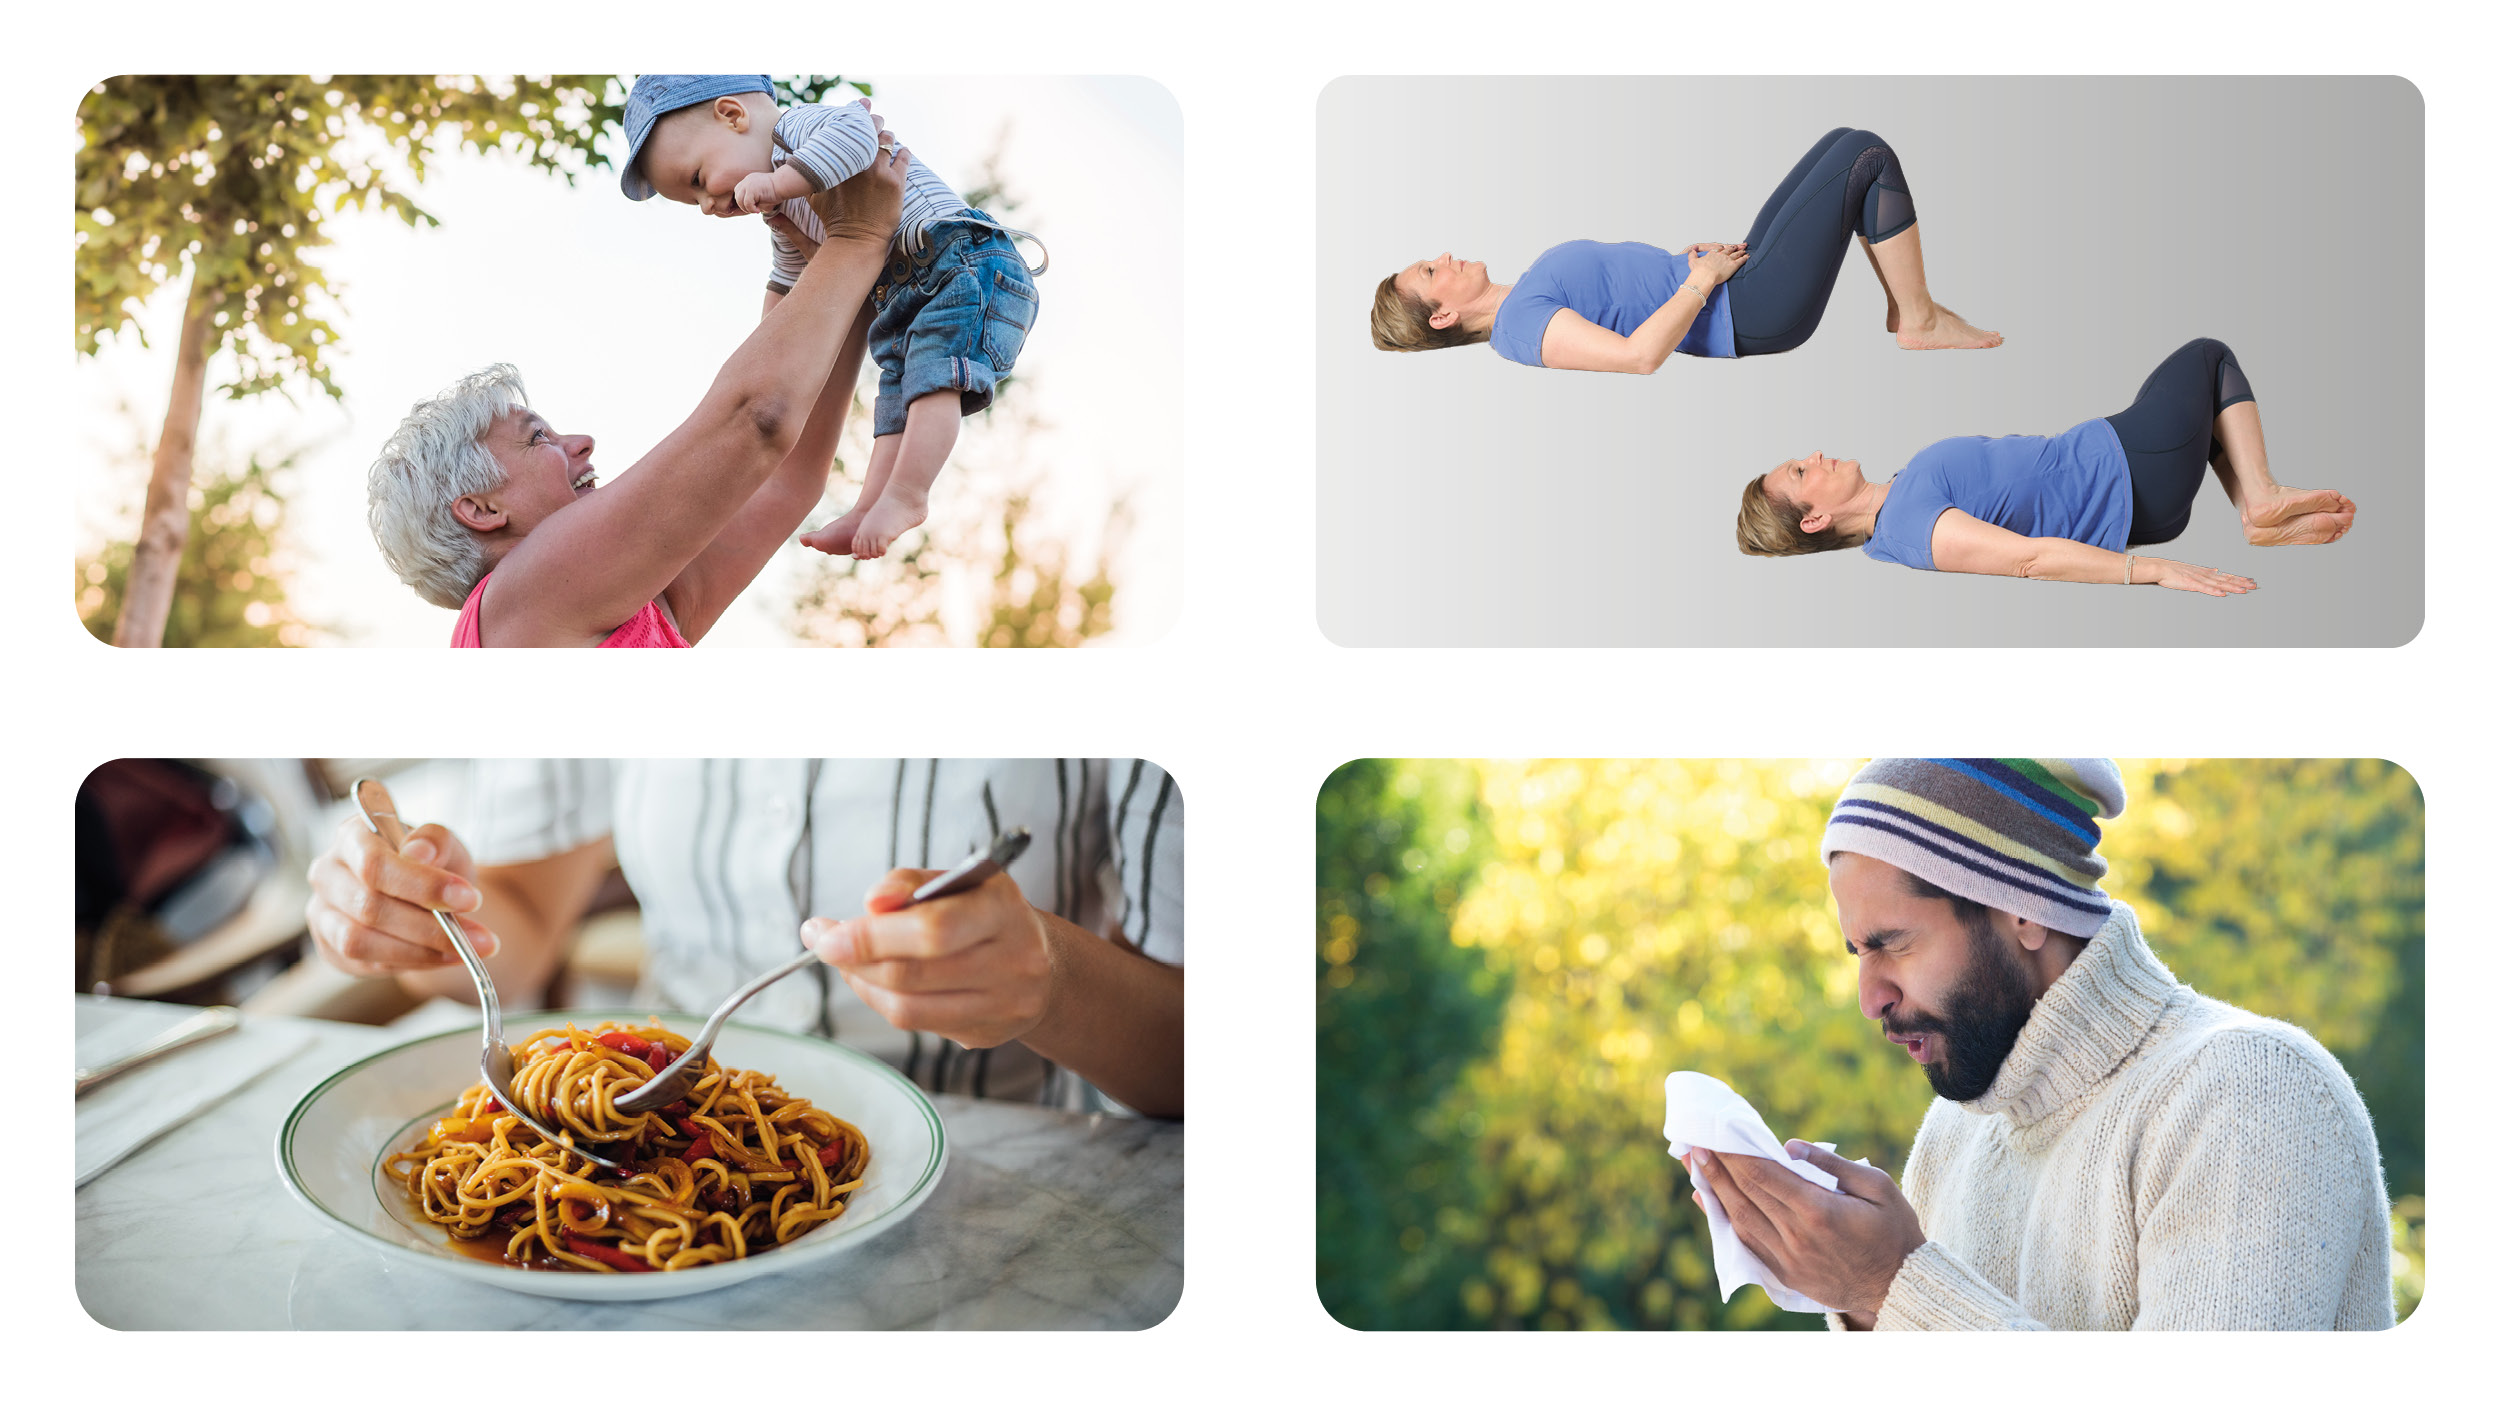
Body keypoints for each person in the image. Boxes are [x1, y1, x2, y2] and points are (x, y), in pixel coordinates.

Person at [1677, 758, 2394, 1330]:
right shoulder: (1956, 1134)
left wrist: (1891, 1284)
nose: (1872, 999)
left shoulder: (2248, 1095)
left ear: (2023, 907)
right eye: (1856, 953)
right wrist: (1847, 1289)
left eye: (1891, 944)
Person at [304, 760, 1181, 1118]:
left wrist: (1052, 981)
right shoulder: (591, 613)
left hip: (1015, 1178)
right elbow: (523, 930)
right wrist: (412, 915)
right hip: (658, 1099)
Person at [365, 131, 909, 646]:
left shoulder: (627, 607)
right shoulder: (523, 594)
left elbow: (779, 480)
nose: (581, 442)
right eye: (538, 440)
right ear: (481, 510)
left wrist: (820, 270)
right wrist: (857, 238)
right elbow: (753, 420)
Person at [623, 75, 1045, 560]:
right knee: (897, 396)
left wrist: (781, 180)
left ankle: (909, 494)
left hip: (962, 261)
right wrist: (765, 347)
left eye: (697, 180)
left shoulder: (802, 129)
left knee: (935, 381)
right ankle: (870, 505)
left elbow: (858, 136)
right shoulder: (783, 209)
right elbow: (789, 282)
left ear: (733, 115)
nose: (706, 206)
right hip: (906, 293)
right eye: (693, 201)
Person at [1734, 338, 2354, 594]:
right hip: (2130, 468)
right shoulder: (1911, 526)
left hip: (2125, 466)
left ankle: (2255, 509)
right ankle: (2261, 499)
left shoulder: (1889, 525)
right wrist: (2156, 571)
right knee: (2208, 358)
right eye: (1799, 473)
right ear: (1814, 519)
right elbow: (2026, 559)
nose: (1812, 457)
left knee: (2211, 409)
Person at [1370, 127, 1998, 370]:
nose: (1444, 256)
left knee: (1845, 141)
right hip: (1748, 309)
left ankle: (1906, 310)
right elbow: (1638, 356)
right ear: (1443, 314)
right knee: (1865, 158)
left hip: (1726, 286)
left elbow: (1624, 298)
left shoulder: (1524, 296)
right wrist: (1700, 283)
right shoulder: (1519, 329)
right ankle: (1919, 318)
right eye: (1431, 270)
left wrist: (1685, 266)